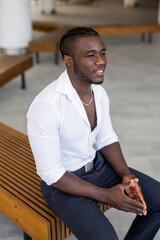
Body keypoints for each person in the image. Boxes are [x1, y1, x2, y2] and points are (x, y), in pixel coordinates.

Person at [27, 27, 160, 240]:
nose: (101, 61)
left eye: (103, 53)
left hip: (98, 167)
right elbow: (51, 173)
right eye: (90, 55)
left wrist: (126, 174)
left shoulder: (98, 92)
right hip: (65, 184)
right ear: (68, 60)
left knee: (158, 201)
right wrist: (106, 195)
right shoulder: (47, 105)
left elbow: (106, 138)